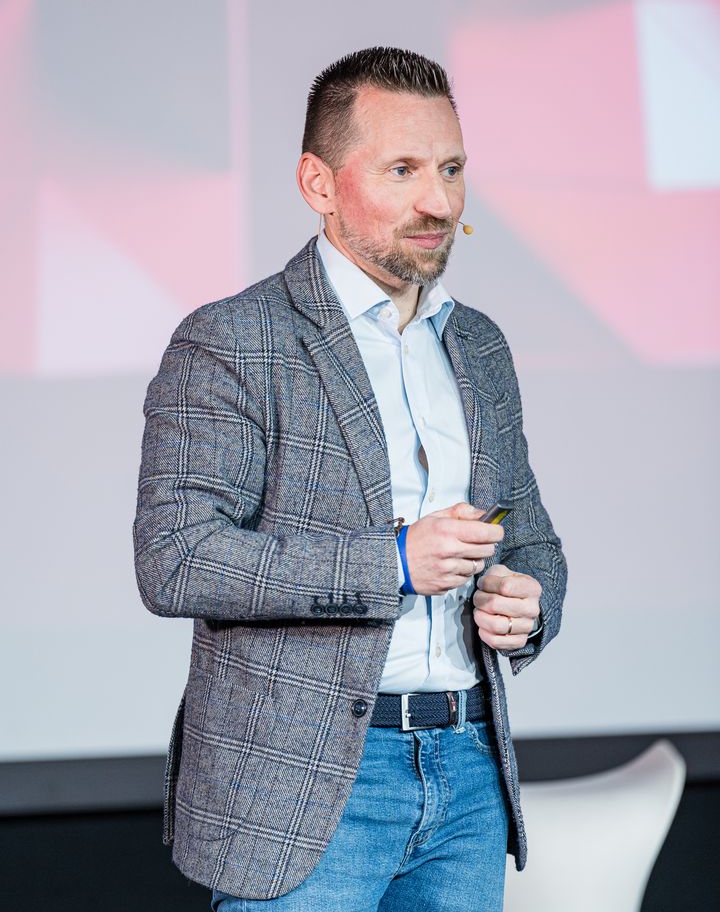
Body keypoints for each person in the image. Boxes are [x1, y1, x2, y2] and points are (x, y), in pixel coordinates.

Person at [133, 46, 567, 911]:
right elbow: (176, 559)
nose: (439, 201)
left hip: (469, 770)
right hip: (304, 785)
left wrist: (527, 606)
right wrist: (393, 562)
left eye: (451, 169)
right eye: (402, 170)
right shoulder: (233, 340)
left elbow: (533, 544)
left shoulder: (479, 346)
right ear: (318, 184)